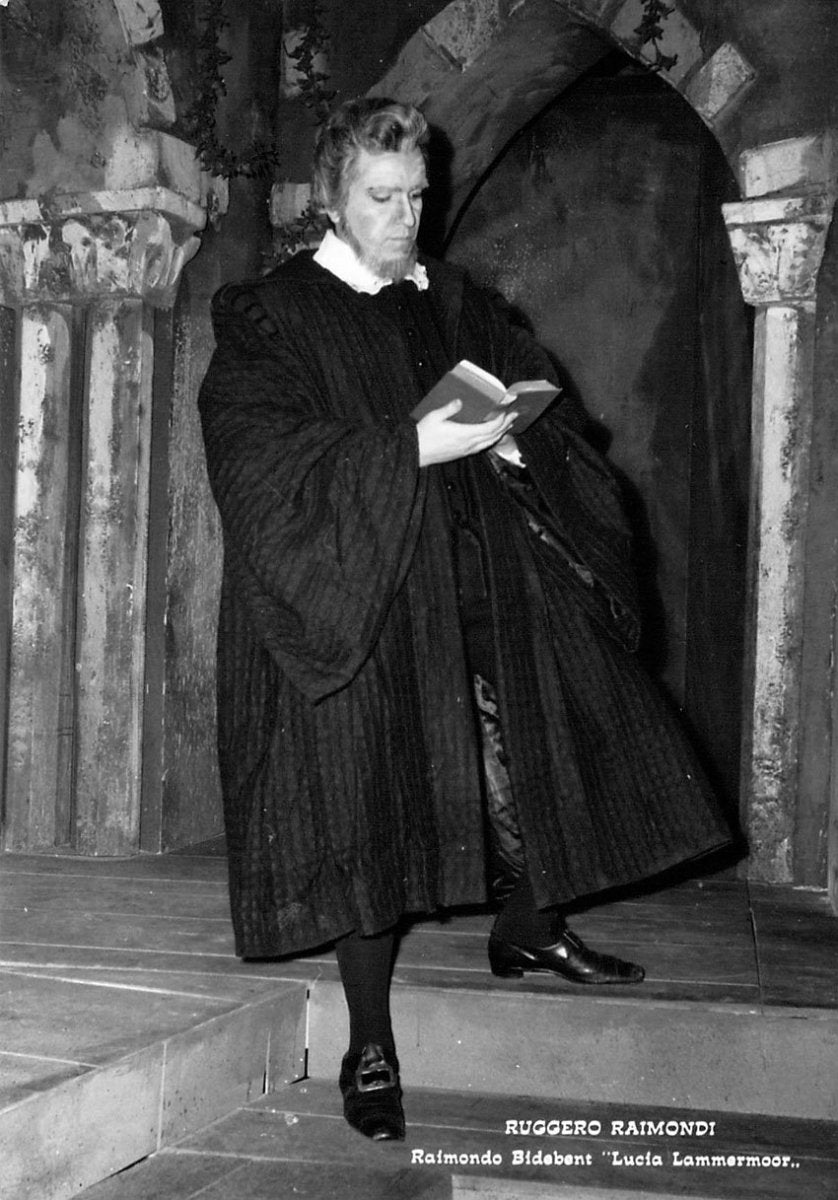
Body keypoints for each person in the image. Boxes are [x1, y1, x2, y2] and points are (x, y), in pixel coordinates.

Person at [198, 97, 732, 1142]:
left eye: (417, 196)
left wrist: (513, 436)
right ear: (331, 200)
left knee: (547, 724)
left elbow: (538, 392)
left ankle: (529, 923)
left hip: (480, 569)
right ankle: (367, 1042)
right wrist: (410, 447)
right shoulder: (268, 314)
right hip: (359, 588)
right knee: (366, 793)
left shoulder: (453, 298)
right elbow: (258, 463)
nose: (405, 218)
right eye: (381, 198)